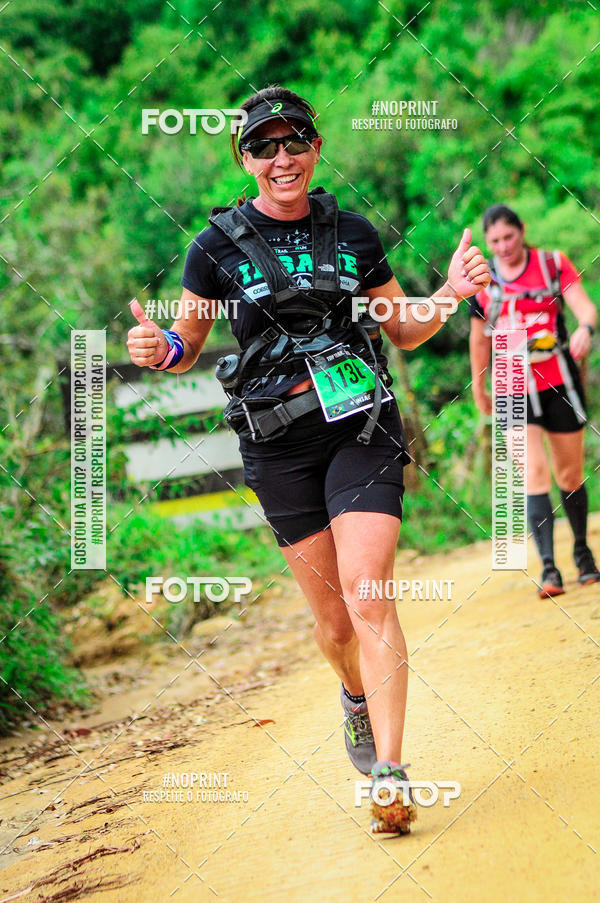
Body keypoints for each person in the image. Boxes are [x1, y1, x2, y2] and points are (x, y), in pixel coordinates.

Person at [127, 86, 490, 833]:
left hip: (361, 428)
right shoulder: (214, 247)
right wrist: (155, 349)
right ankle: (354, 697)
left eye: (295, 141)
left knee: (368, 592)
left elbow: (406, 327)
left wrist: (450, 292)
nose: (282, 156)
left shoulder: (352, 232)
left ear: (317, 149)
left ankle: (389, 772)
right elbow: (183, 344)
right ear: (246, 158)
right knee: (333, 625)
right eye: (265, 145)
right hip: (275, 444)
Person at [469, 203, 600, 598]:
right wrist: (479, 386)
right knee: (534, 475)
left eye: (509, 237)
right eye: (494, 241)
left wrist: (585, 329)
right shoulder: (482, 281)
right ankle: (549, 569)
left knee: (569, 476)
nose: (504, 246)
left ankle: (582, 554)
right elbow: (479, 337)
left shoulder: (551, 264)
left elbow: (584, 306)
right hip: (510, 382)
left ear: (522, 231)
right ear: (487, 243)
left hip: (558, 378)